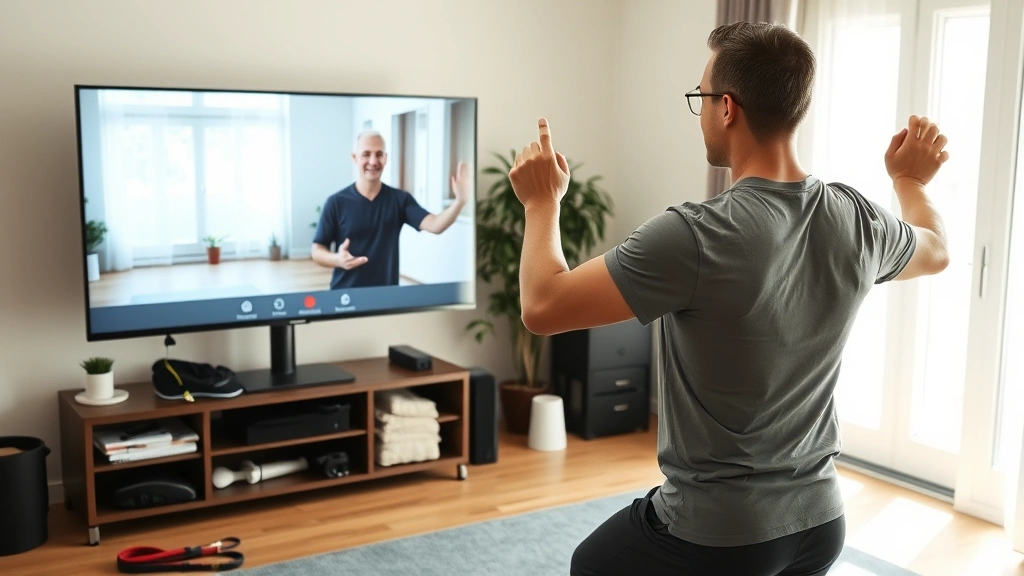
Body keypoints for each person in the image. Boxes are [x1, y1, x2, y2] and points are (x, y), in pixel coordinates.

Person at [507, 22, 949, 576]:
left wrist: (542, 202)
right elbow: (935, 250)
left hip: (720, 533)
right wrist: (910, 180)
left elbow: (543, 306)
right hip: (821, 522)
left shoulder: (696, 234)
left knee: (591, 564)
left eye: (700, 96)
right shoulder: (853, 216)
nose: (700, 111)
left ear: (727, 108)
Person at [311, 130, 471, 289]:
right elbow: (317, 250)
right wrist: (337, 260)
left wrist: (459, 202)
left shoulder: (400, 200)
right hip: (345, 297)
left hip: (387, 296)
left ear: (385, 158)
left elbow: (435, 225)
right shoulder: (336, 202)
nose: (373, 161)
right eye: (366, 154)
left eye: (379, 154)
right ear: (355, 157)